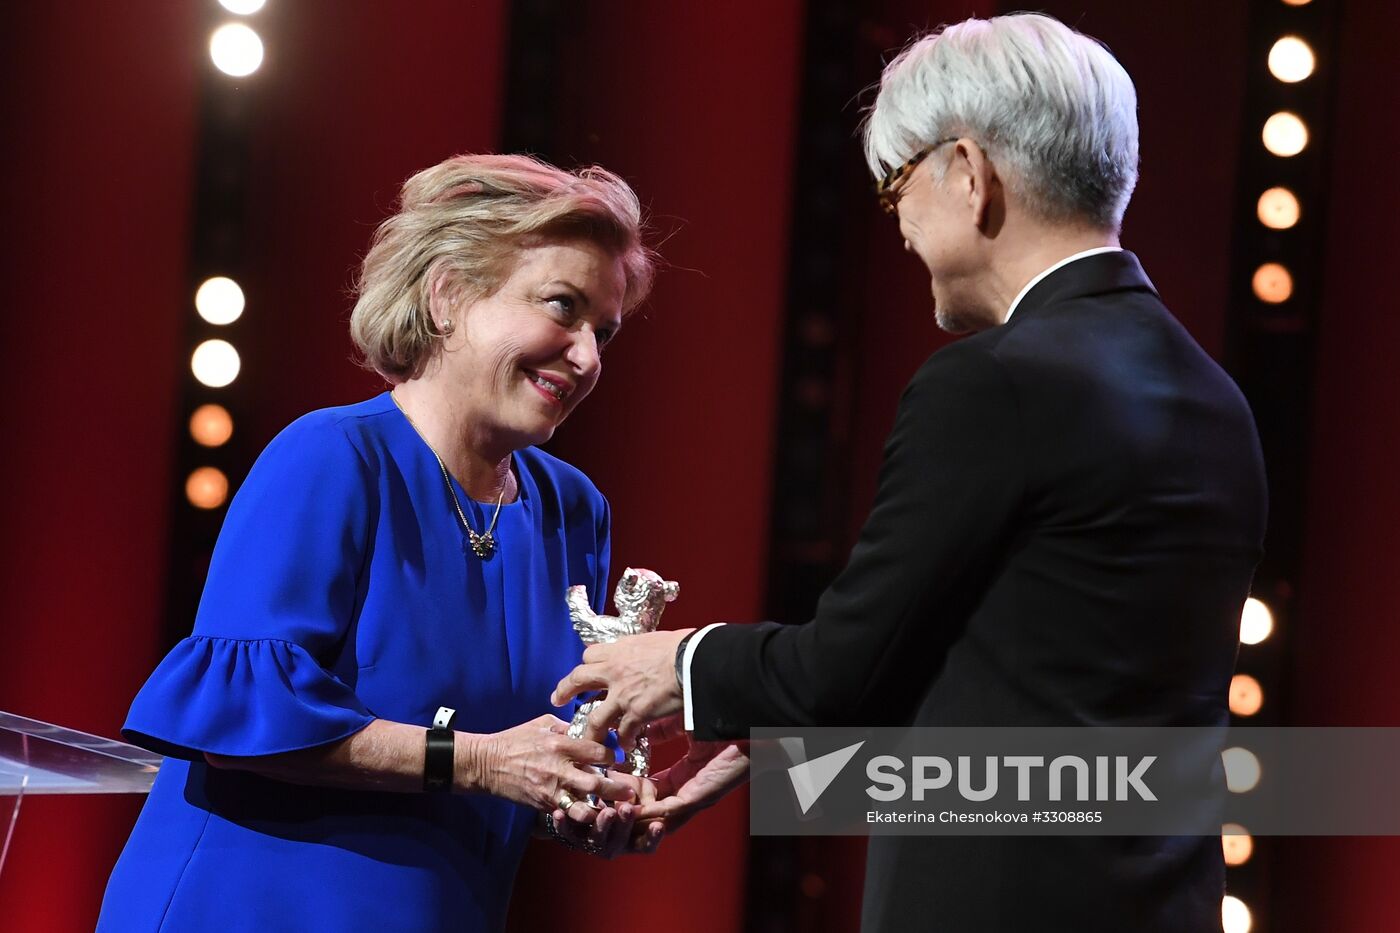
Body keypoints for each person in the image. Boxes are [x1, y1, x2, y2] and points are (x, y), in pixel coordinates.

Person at [554, 13, 1267, 932]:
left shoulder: (995, 382)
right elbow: (1026, 694)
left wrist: (676, 661)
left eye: (895, 187)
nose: (896, 229)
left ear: (967, 173)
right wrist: (758, 757)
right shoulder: (1214, 397)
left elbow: (848, 666)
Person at [98, 153, 663, 933]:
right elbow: (239, 727)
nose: (587, 355)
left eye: (603, 330)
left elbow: (525, 748)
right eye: (561, 308)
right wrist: (483, 761)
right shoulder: (330, 458)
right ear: (449, 295)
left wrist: (575, 801)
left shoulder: (574, 510)